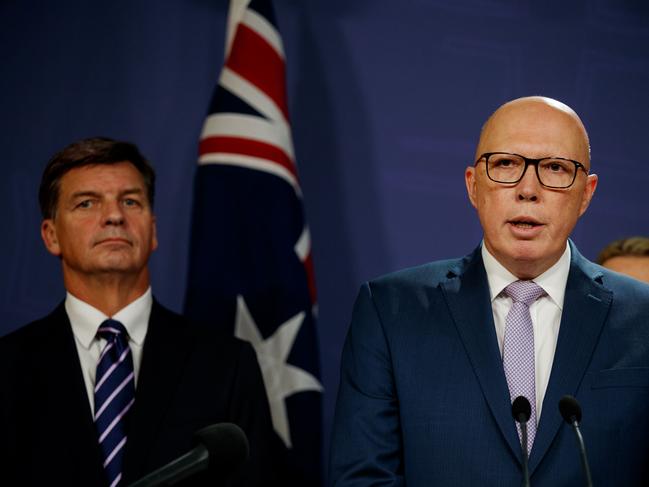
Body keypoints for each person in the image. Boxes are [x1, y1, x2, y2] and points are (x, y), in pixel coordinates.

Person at [329, 97, 649, 486]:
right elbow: (364, 478)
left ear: (586, 194)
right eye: (505, 164)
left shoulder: (642, 317)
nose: (528, 189)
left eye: (555, 168)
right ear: (473, 185)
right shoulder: (390, 312)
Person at [0, 138, 278, 486]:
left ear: (153, 231)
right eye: (87, 203)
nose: (114, 216)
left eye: (130, 201)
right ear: (51, 235)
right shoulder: (8, 369)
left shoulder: (226, 364)